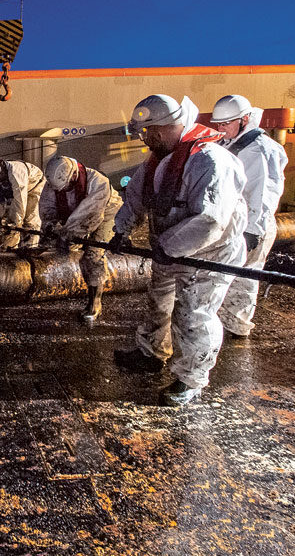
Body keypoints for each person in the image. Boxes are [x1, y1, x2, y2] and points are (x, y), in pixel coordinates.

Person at [110, 94, 248, 406]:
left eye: (148, 133)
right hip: (168, 249)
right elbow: (136, 197)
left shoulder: (209, 161)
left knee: (193, 315)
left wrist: (168, 247)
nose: (145, 139)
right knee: (158, 301)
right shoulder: (157, 160)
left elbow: (210, 220)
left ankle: (191, 379)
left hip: (208, 255)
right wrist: (121, 229)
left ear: (162, 129)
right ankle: (151, 352)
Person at [211, 95, 288, 338]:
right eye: (218, 124)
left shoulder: (259, 149)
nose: (221, 129)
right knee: (226, 274)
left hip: (252, 223)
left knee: (245, 275)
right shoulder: (231, 142)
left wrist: (253, 230)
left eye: (226, 123)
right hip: (233, 221)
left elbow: (263, 193)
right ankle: (223, 321)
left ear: (245, 119)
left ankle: (236, 325)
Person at [39, 156, 123, 324]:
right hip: (76, 215)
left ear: (74, 175)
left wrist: (68, 237)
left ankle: (95, 304)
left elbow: (90, 218)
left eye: (67, 187)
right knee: (52, 243)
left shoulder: (98, 182)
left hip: (107, 214)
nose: (64, 191)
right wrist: (50, 225)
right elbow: (47, 207)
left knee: (92, 256)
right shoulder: (53, 184)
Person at [0, 157, 46, 249]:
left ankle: (30, 248)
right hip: (19, 192)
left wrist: (16, 222)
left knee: (29, 221)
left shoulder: (16, 170)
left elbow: (20, 199)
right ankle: (10, 249)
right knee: (11, 223)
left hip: (35, 187)